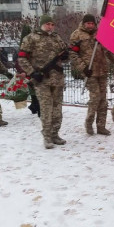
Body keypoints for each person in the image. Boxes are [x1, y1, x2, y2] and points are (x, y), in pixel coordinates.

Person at [18, 15, 69, 149]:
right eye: (47, 24)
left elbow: (65, 54)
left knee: (57, 109)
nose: (50, 27)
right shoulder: (30, 38)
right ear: (41, 25)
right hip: (42, 80)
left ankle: (55, 134)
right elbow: (22, 58)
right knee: (46, 109)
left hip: (57, 79)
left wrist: (65, 56)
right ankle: (47, 137)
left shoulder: (57, 38)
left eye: (52, 24)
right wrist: (32, 72)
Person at [69, 14, 111, 135]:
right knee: (95, 98)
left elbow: (107, 49)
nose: (90, 26)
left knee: (103, 99)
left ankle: (101, 125)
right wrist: (83, 67)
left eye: (92, 23)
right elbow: (73, 54)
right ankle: (89, 123)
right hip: (90, 72)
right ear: (84, 23)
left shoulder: (100, 33)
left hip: (102, 70)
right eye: (88, 23)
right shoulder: (77, 35)